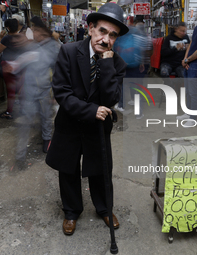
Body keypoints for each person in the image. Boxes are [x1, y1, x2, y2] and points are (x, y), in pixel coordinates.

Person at [45, 2, 128, 236]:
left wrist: (106, 63)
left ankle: (104, 208)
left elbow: (111, 97)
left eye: (113, 35)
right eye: (102, 31)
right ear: (91, 28)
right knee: (68, 169)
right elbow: (61, 91)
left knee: (101, 169)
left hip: (98, 129)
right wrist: (90, 110)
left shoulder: (117, 63)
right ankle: (71, 212)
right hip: (70, 123)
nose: (106, 39)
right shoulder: (69, 51)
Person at [11, 17, 60, 167]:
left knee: (45, 117)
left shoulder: (53, 46)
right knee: (26, 120)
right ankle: (20, 154)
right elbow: (22, 61)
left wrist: (56, 93)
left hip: (45, 89)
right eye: (33, 29)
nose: (34, 32)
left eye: (36, 29)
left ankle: (47, 141)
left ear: (43, 31)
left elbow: (58, 70)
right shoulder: (32, 44)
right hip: (29, 89)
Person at [0, 18, 27, 119]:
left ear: (7, 28)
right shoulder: (22, 37)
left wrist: (0, 38)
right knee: (21, 88)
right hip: (21, 64)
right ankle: (23, 109)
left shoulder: (7, 38)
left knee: (11, 90)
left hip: (9, 65)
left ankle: (9, 112)